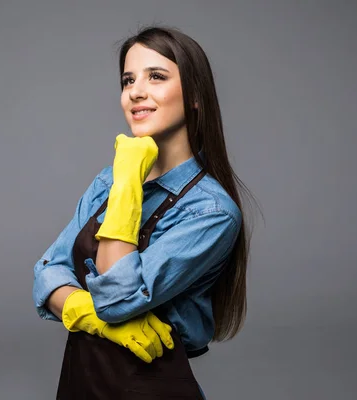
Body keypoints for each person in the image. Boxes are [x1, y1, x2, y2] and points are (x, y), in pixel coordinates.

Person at [32, 25, 255, 399]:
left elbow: (118, 299)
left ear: (196, 96)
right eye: (128, 80)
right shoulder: (109, 180)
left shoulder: (211, 212)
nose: (136, 91)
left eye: (156, 76)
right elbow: (46, 273)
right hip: (80, 384)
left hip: (152, 389)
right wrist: (95, 320)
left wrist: (128, 184)